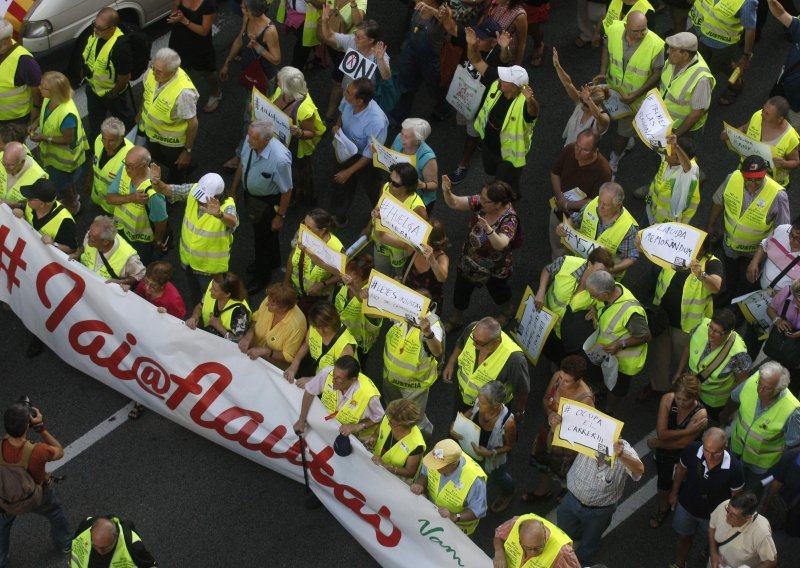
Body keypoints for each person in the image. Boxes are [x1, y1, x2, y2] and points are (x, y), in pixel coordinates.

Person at [642, 236, 721, 400]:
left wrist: (702, 275)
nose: (690, 250)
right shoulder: (676, 253)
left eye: (696, 247)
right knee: (659, 356)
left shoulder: (713, 263)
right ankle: (657, 386)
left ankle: (679, 392)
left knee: (684, 362)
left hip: (687, 326)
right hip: (662, 317)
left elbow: (716, 286)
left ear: (705, 249)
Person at [706, 155, 789, 303]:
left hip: (754, 252)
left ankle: (739, 307)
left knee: (747, 282)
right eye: (749, 179)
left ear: (765, 174)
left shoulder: (778, 195)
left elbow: (782, 231)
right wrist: (710, 225)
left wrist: (758, 259)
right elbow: (719, 201)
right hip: (730, 244)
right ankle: (729, 295)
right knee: (730, 274)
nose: (753, 183)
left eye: (758, 179)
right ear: (742, 174)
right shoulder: (732, 178)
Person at [151, 170, 238, 307]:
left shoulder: (227, 206)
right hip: (188, 262)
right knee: (196, 296)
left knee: (213, 299)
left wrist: (220, 215)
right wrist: (156, 182)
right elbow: (167, 190)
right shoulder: (194, 189)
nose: (198, 200)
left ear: (217, 197)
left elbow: (233, 222)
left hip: (209, 270)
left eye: (203, 198)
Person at [442, 178, 519, 329]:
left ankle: (506, 312)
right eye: (481, 197)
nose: (480, 200)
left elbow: (501, 244)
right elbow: (455, 202)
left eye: (485, 200)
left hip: (495, 266)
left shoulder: (509, 219)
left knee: (499, 291)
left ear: (497, 204)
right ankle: (455, 319)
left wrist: (489, 230)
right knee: (461, 290)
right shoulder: (482, 202)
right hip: (470, 260)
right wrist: (447, 191)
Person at [0, 402, 71, 565]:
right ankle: (65, 545)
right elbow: (59, 451)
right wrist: (40, 427)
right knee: (55, 511)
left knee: (2, 525)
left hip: (6, 499)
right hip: (39, 495)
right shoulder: (38, 451)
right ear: (27, 426)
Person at [595, 11, 664, 177]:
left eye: (644, 30)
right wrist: (603, 72)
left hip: (633, 99)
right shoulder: (614, 30)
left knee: (623, 132)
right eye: (636, 31)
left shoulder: (656, 44)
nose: (641, 34)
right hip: (611, 88)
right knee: (601, 117)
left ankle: (615, 158)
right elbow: (606, 48)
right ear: (626, 27)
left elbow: (657, 73)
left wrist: (636, 94)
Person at [557, 439, 644, 564]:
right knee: (563, 532)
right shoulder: (588, 436)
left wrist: (621, 455)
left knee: (589, 542)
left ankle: (579, 563)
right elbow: (563, 434)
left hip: (600, 512)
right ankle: (562, 556)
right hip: (571, 501)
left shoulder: (625, 450)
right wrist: (554, 423)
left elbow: (639, 470)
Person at [229, 120, 293, 293]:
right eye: (249, 135)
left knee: (262, 239)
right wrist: (233, 189)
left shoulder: (280, 160)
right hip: (251, 196)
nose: (249, 140)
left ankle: (262, 277)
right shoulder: (250, 144)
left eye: (254, 138)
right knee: (265, 235)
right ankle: (273, 261)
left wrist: (280, 216)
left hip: (267, 202)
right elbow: (243, 164)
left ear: (267, 140)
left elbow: (287, 190)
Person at [667, 428, 745, 568]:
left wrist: (732, 519)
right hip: (687, 506)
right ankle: (679, 564)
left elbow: (736, 497)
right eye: (706, 450)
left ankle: (708, 551)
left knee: (714, 543)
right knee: (683, 536)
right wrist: (674, 493)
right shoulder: (692, 450)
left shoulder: (735, 468)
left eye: (716, 453)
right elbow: (680, 470)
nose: (709, 456)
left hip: (714, 515)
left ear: (725, 446)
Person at [219, 0, 280, 172]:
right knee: (252, 113)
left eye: (244, 7)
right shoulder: (248, 19)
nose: (241, 7)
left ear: (252, 12)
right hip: (250, 75)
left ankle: (241, 155)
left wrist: (259, 47)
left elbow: (276, 59)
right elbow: (240, 39)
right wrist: (227, 62)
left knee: (251, 117)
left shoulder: (270, 31)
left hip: (263, 80)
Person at [448, 23, 512, 186]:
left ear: (492, 42)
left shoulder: (497, 54)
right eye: (476, 35)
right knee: (465, 125)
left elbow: (506, 58)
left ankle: (463, 163)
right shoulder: (471, 41)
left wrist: (504, 48)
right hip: (464, 96)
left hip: (480, 105)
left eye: (481, 38)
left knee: (472, 135)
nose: (476, 39)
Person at [524, 356, 595, 502]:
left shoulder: (586, 399)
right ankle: (544, 489)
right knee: (541, 461)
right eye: (561, 377)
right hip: (548, 430)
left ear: (579, 380)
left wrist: (562, 424)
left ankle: (565, 490)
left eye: (567, 381)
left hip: (567, 444)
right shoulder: (557, 377)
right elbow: (545, 399)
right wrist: (550, 414)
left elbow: (587, 431)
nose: (561, 382)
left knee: (564, 470)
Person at [646, 375, 708, 529]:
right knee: (663, 480)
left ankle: (668, 506)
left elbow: (683, 444)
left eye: (685, 400)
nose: (680, 403)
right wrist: (689, 430)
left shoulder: (700, 414)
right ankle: (664, 506)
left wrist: (659, 443)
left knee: (673, 483)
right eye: (678, 398)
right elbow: (662, 432)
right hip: (665, 451)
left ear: (694, 397)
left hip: (682, 455)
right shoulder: (668, 399)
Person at [585, 270, 651, 416]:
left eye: (593, 295)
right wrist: (595, 310)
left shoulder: (632, 312)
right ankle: (603, 391)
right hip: (606, 353)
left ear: (604, 295)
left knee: (616, 388)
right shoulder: (612, 289)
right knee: (604, 378)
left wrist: (620, 344)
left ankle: (609, 412)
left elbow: (645, 336)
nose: (591, 297)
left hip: (624, 362)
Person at [535, 247, 614, 365]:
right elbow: (547, 270)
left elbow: (604, 307)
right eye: (599, 271)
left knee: (558, 355)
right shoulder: (566, 262)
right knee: (540, 345)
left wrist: (596, 312)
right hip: (544, 317)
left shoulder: (603, 285)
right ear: (589, 264)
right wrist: (541, 291)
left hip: (564, 333)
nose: (601, 277)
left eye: (605, 273)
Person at [730, 362, 800, 489]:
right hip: (736, 447)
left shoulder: (792, 410)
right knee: (730, 482)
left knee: (749, 491)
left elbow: (793, 444)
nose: (759, 390)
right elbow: (734, 397)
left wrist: (780, 473)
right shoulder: (754, 381)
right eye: (760, 384)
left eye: (766, 388)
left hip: (760, 464)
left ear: (779, 389)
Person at [329, 78, 388, 228]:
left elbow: (369, 154)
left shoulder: (376, 122)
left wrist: (349, 172)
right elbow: (343, 112)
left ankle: (381, 216)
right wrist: (337, 126)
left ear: (360, 101)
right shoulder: (349, 101)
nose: (344, 94)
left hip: (365, 158)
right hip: (346, 148)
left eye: (348, 93)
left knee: (373, 187)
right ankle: (339, 215)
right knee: (341, 185)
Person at [673, 308, 750, 422]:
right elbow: (688, 347)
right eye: (711, 327)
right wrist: (678, 373)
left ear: (729, 333)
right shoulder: (701, 325)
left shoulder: (739, 355)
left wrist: (729, 410)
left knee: (704, 422)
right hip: (691, 388)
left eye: (717, 331)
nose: (711, 333)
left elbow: (741, 384)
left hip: (713, 401)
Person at [451, 381, 517, 513]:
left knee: (499, 476)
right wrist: (454, 426)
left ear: (496, 406)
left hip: (492, 458)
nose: (477, 403)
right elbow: (468, 414)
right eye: (478, 400)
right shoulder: (478, 404)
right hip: (472, 451)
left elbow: (510, 446)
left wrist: (490, 453)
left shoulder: (508, 423)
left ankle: (509, 492)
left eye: (482, 403)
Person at [443, 316, 530, 418]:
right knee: (457, 427)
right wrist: (451, 362)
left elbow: (522, 390)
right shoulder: (473, 330)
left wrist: (519, 412)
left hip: (490, 410)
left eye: (479, 343)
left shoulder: (515, 359)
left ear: (496, 342)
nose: (474, 344)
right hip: (463, 396)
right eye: (473, 338)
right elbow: (461, 343)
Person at [29, 71, 89, 215]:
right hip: (55, 159)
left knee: (63, 185)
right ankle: (74, 197)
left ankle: (72, 206)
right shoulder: (49, 99)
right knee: (67, 184)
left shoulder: (67, 114)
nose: (38, 88)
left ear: (54, 91)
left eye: (43, 87)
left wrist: (44, 138)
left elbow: (68, 139)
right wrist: (36, 123)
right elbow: (45, 115)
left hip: (64, 161)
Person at [473, 65, 538, 196]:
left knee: (500, 188)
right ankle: (511, 185)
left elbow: (533, 112)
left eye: (505, 79)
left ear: (514, 87)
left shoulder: (524, 103)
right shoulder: (497, 86)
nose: (500, 79)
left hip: (509, 157)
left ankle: (508, 198)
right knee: (492, 171)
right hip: (489, 145)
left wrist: (530, 99)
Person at [137, 47, 199, 184]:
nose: (153, 73)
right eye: (153, 68)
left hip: (172, 143)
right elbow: (146, 94)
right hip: (152, 133)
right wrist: (140, 113)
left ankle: (173, 193)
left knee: (176, 168)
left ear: (173, 72)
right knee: (156, 156)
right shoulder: (151, 73)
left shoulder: (184, 94)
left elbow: (193, 124)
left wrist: (187, 151)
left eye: (159, 72)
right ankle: (186, 167)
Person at [548, 130, 612, 260]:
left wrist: (568, 204)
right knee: (556, 241)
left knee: (571, 251)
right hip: (559, 207)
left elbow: (595, 202)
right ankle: (556, 263)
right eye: (577, 145)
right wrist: (560, 197)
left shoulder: (603, 171)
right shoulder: (570, 149)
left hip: (580, 218)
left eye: (585, 150)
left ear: (595, 150)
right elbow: (555, 173)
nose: (577, 152)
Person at [555, 182, 639, 278]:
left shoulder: (628, 228)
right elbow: (574, 220)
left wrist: (610, 269)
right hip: (581, 263)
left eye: (606, 205)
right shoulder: (592, 205)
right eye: (600, 201)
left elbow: (631, 257)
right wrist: (563, 226)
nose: (600, 207)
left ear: (618, 205)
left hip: (603, 276)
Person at [293, 355, 384, 443]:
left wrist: (359, 426)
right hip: (330, 426)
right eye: (334, 375)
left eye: (339, 379)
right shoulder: (327, 373)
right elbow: (310, 392)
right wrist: (301, 420)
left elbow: (379, 417)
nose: (333, 380)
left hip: (358, 437)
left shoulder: (369, 395)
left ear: (352, 380)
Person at [383, 307, 443, 439]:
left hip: (413, 385)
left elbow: (438, 352)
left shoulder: (433, 324)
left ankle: (421, 439)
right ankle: (396, 428)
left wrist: (428, 333)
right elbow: (375, 313)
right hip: (390, 378)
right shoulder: (400, 310)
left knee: (414, 418)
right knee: (393, 408)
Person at [317, 13, 390, 121]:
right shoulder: (352, 41)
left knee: (352, 119)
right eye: (355, 34)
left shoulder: (379, 55)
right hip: (347, 91)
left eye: (359, 37)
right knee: (344, 112)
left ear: (370, 40)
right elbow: (329, 36)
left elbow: (386, 76)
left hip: (362, 99)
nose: (355, 38)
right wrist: (325, 21)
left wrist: (380, 60)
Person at [270, 66, 326, 206]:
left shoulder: (305, 109)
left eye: (280, 81)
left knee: (300, 173)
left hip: (295, 147)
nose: (277, 82)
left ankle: (303, 197)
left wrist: (299, 132)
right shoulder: (280, 91)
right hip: (281, 141)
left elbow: (311, 133)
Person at [389, 0, 449, 126]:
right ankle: (398, 116)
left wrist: (431, 10)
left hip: (431, 58)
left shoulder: (444, 11)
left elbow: (448, 23)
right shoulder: (418, 4)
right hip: (412, 51)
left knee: (434, 86)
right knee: (406, 84)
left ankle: (441, 107)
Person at [410, 438, 488, 536]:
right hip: (431, 512)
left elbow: (477, 510)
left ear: (453, 464)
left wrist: (455, 516)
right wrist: (420, 484)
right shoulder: (436, 456)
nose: (433, 466)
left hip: (456, 528)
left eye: (438, 466)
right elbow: (424, 474)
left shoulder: (475, 482)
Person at [106, 145, 168, 265]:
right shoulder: (124, 170)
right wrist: (131, 198)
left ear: (144, 166)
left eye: (131, 166)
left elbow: (161, 221)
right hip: (120, 229)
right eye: (126, 163)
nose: (126, 168)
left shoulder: (153, 193)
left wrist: (158, 241)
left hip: (141, 241)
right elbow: (110, 198)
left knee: (137, 267)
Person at [690, 0, 759, 106]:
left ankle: (736, 84)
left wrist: (745, 56)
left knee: (722, 65)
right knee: (702, 61)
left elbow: (750, 29)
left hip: (722, 44)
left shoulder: (747, 2)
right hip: (700, 33)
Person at [81, 8, 136, 139]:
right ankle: (96, 141)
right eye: (94, 25)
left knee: (124, 120)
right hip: (94, 90)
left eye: (100, 28)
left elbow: (125, 77)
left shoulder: (121, 47)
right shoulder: (97, 34)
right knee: (95, 120)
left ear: (112, 28)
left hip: (112, 94)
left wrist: (113, 94)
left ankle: (130, 141)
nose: (95, 30)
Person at [367, 162, 427, 278]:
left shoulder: (417, 208)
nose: (389, 184)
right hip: (381, 244)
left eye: (395, 183)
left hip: (399, 252)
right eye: (389, 179)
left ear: (407, 186)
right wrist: (369, 225)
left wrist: (385, 237)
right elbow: (377, 206)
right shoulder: (385, 188)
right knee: (381, 274)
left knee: (399, 277)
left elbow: (418, 244)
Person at [730, 97, 799, 188]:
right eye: (763, 109)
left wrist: (783, 164)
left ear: (779, 119)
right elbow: (744, 128)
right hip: (747, 172)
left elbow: (796, 161)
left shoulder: (791, 137)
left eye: (767, 114)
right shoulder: (758, 115)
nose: (762, 114)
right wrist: (731, 134)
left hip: (770, 183)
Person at [167, 0, 222, 114]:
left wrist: (183, 20)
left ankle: (216, 93)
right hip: (179, 39)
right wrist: (174, 16)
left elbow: (204, 31)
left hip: (199, 44)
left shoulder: (208, 4)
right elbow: (175, 10)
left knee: (206, 71)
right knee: (178, 66)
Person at [286, 208, 345, 312]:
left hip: (317, 295)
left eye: (309, 227)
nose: (304, 228)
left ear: (322, 230)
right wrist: (286, 282)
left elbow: (340, 275)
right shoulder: (301, 232)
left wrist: (322, 284)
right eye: (304, 223)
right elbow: (292, 255)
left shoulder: (336, 249)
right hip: (295, 288)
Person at [634, 134, 700, 226]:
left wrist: (676, 147)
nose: (665, 154)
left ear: (679, 160)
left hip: (668, 223)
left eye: (670, 153)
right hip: (651, 211)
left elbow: (688, 167)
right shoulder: (668, 159)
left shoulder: (690, 173)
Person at [238, 282, 307, 369]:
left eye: (271, 304)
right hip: (250, 353)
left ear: (284, 308)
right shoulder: (271, 299)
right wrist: (249, 334)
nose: (267, 304)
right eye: (268, 300)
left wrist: (266, 352)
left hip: (270, 366)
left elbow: (288, 356)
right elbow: (256, 318)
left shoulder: (297, 325)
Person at [283, 302, 357, 382]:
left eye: (325, 326)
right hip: (316, 370)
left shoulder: (345, 346)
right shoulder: (316, 324)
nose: (320, 331)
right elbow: (306, 345)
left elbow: (342, 376)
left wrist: (314, 380)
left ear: (333, 321)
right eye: (317, 327)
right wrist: (294, 365)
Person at [659, 32, 714, 138]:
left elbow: (696, 114)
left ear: (685, 55)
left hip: (683, 130)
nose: (667, 51)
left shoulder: (702, 79)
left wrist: (676, 135)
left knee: (679, 154)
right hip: (664, 120)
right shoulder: (672, 61)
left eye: (672, 50)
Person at [552, 49, 610, 145]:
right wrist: (558, 66)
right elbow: (568, 84)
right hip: (569, 147)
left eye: (587, 106)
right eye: (583, 102)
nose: (582, 107)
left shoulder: (603, 120)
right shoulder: (581, 103)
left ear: (597, 105)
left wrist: (588, 100)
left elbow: (598, 116)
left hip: (583, 154)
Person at [708, 493, 778, 568]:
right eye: (728, 510)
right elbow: (712, 527)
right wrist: (713, 553)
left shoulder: (762, 532)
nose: (727, 516)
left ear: (748, 518)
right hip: (716, 561)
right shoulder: (725, 505)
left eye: (733, 515)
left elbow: (771, 562)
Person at [74, 216, 146, 287]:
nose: (87, 237)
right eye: (89, 231)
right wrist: (77, 253)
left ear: (105, 242)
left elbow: (140, 274)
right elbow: (84, 246)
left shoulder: (128, 257)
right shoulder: (92, 234)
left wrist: (122, 282)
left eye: (92, 238)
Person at [335, 255, 382, 361]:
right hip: (341, 336)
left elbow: (369, 309)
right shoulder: (344, 286)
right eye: (347, 272)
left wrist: (353, 287)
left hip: (359, 345)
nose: (347, 277)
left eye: (353, 276)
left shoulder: (371, 296)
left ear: (365, 279)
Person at [369, 399, 426, 483]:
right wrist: (373, 438)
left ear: (404, 425)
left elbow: (410, 472)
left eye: (391, 422)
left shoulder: (416, 445)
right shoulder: (388, 418)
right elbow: (377, 433)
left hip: (393, 479)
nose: (388, 422)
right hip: (374, 465)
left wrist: (386, 466)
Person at [493, 514, 580, 568]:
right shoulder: (515, 523)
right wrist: (499, 553)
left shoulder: (563, 552)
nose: (533, 553)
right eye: (528, 548)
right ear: (519, 539)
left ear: (545, 535)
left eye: (538, 547)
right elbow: (498, 535)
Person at [16, 178, 77, 255]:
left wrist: (53, 244)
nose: (27, 199)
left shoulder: (65, 222)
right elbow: (23, 208)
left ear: (41, 204)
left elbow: (72, 249)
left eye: (30, 198)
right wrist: (20, 211)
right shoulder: (31, 205)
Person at [402, 219, 450, 316]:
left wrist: (432, 260)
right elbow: (383, 237)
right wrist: (379, 221)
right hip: (406, 302)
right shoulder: (414, 248)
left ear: (431, 242)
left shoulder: (442, 258)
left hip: (427, 310)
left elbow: (442, 277)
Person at [390, 118, 438, 213]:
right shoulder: (399, 138)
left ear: (417, 140)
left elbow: (434, 185)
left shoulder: (427, 158)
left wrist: (422, 185)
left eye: (406, 137)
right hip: (400, 190)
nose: (402, 138)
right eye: (402, 133)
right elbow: (391, 152)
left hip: (417, 200)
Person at [0, 20, 41, 131]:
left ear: (7, 39)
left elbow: (36, 87)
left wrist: (36, 109)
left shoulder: (24, 61)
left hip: (16, 122)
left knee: (14, 148)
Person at [186, 271, 251, 341]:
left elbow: (240, 340)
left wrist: (219, 327)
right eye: (212, 287)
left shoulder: (240, 312)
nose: (210, 290)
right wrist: (194, 317)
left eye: (215, 290)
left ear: (227, 294)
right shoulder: (213, 288)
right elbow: (200, 306)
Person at [88, 117, 134, 215]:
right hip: (96, 197)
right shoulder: (98, 140)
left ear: (121, 138)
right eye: (104, 139)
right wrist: (89, 179)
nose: (106, 144)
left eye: (111, 141)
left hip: (114, 207)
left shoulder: (131, 156)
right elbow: (94, 159)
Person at [70, 516, 157, 568]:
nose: (100, 551)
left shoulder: (133, 545)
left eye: (105, 547)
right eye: (95, 546)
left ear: (116, 535)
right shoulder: (86, 525)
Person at [766, 0, 800, 130]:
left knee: (795, 129)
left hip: (797, 107)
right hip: (783, 88)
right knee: (774, 115)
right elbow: (781, 13)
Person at [747, 217, 800, 293]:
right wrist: (754, 262)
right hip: (758, 287)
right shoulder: (782, 230)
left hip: (780, 302)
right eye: (791, 234)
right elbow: (765, 244)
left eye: (798, 239)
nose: (791, 240)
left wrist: (783, 297)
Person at [764, 447, 800, 541]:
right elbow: (776, 483)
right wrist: (768, 504)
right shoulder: (792, 457)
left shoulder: (793, 456)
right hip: (787, 509)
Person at [0, 141, 47, 208]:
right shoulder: (1, 156)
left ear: (22, 162)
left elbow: (35, 205)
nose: (6, 168)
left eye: (11, 165)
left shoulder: (38, 177)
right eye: (4, 163)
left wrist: (13, 204)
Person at [482, 0, 527, 65]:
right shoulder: (495, 3)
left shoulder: (519, 16)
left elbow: (522, 43)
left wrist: (516, 67)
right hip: (487, 46)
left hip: (502, 54)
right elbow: (484, 19)